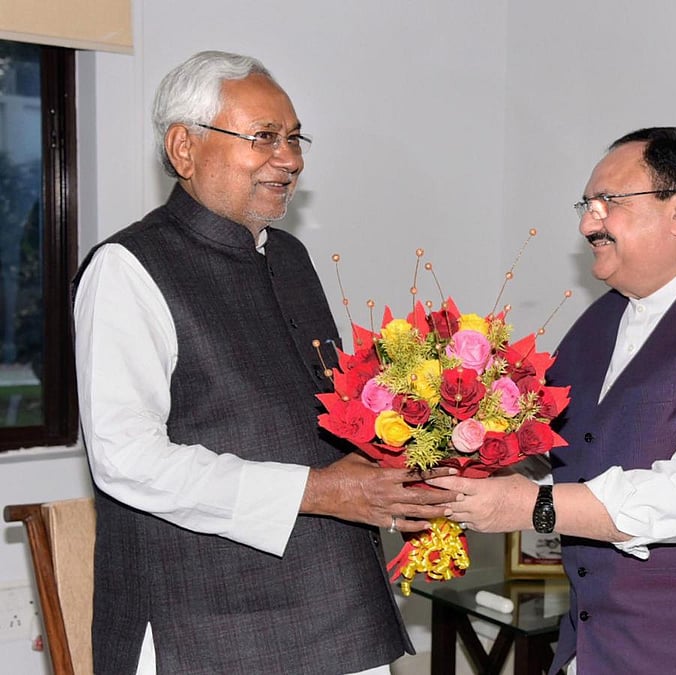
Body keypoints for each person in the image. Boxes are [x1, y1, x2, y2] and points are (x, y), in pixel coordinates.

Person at [72, 50, 456, 675]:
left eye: (295, 138)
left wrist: (411, 462)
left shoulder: (290, 257)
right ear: (183, 148)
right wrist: (320, 490)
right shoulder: (129, 268)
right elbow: (127, 460)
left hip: (337, 602)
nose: (291, 158)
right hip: (209, 621)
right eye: (265, 138)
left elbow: (322, 421)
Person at [430, 127, 676, 674]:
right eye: (586, 205)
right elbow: (569, 454)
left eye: (607, 203)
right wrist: (454, 455)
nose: (586, 223)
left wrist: (531, 505)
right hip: (599, 646)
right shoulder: (599, 321)